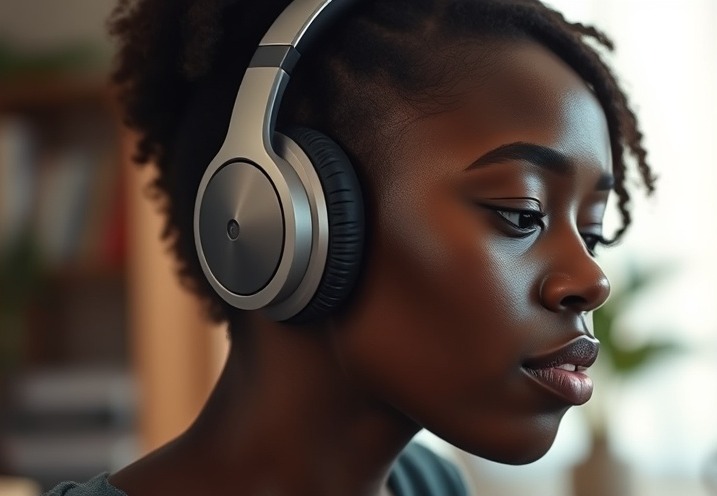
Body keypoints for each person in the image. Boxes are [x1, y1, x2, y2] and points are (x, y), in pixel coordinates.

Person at [46, 0, 655, 494]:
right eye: (521, 213)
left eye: (592, 229)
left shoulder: (433, 485)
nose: (592, 278)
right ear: (283, 220)